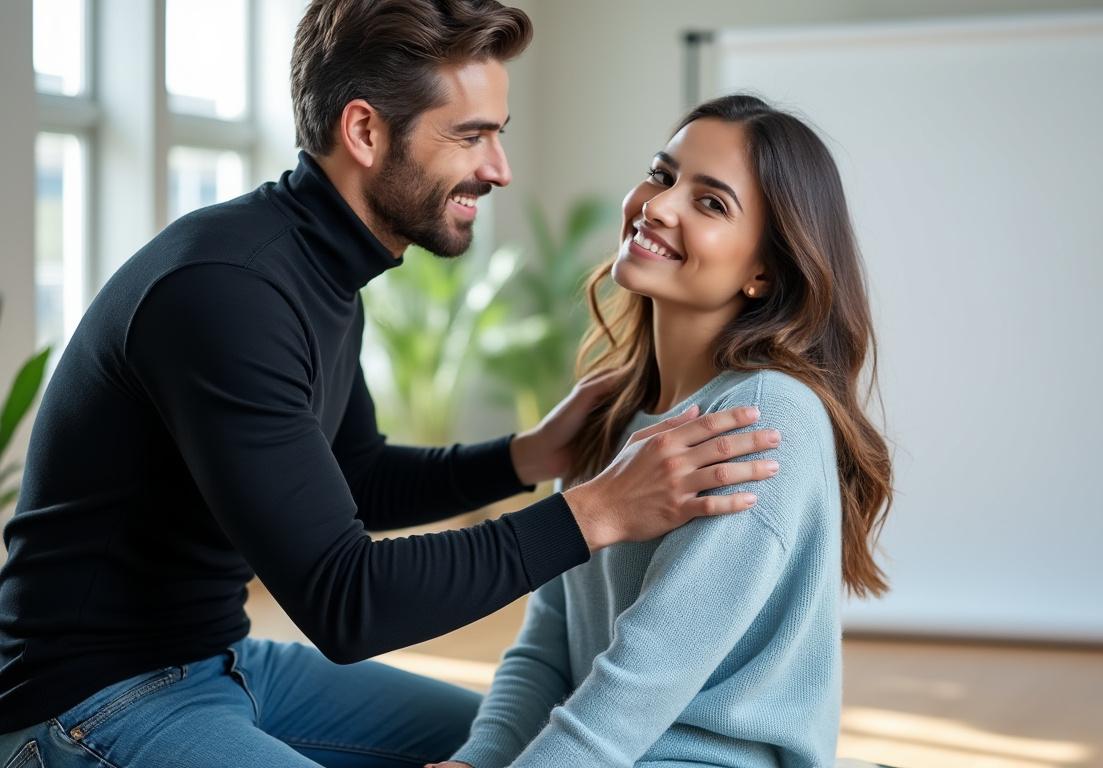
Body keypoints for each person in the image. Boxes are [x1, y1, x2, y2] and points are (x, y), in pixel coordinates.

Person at [0, 3, 780, 767]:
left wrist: (527, 456)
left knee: (524, 741)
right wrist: (598, 511)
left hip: (217, 660)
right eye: (471, 137)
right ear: (366, 131)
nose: (498, 169)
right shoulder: (231, 292)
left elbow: (352, 480)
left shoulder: (319, 271)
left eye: (497, 136)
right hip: (89, 700)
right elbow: (347, 603)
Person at [434, 94, 894, 768]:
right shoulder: (612, 414)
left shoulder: (764, 415)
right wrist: (476, 761)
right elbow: (547, 648)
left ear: (763, 270)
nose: (659, 204)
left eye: (711, 203)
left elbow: (638, 683)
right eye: (662, 173)